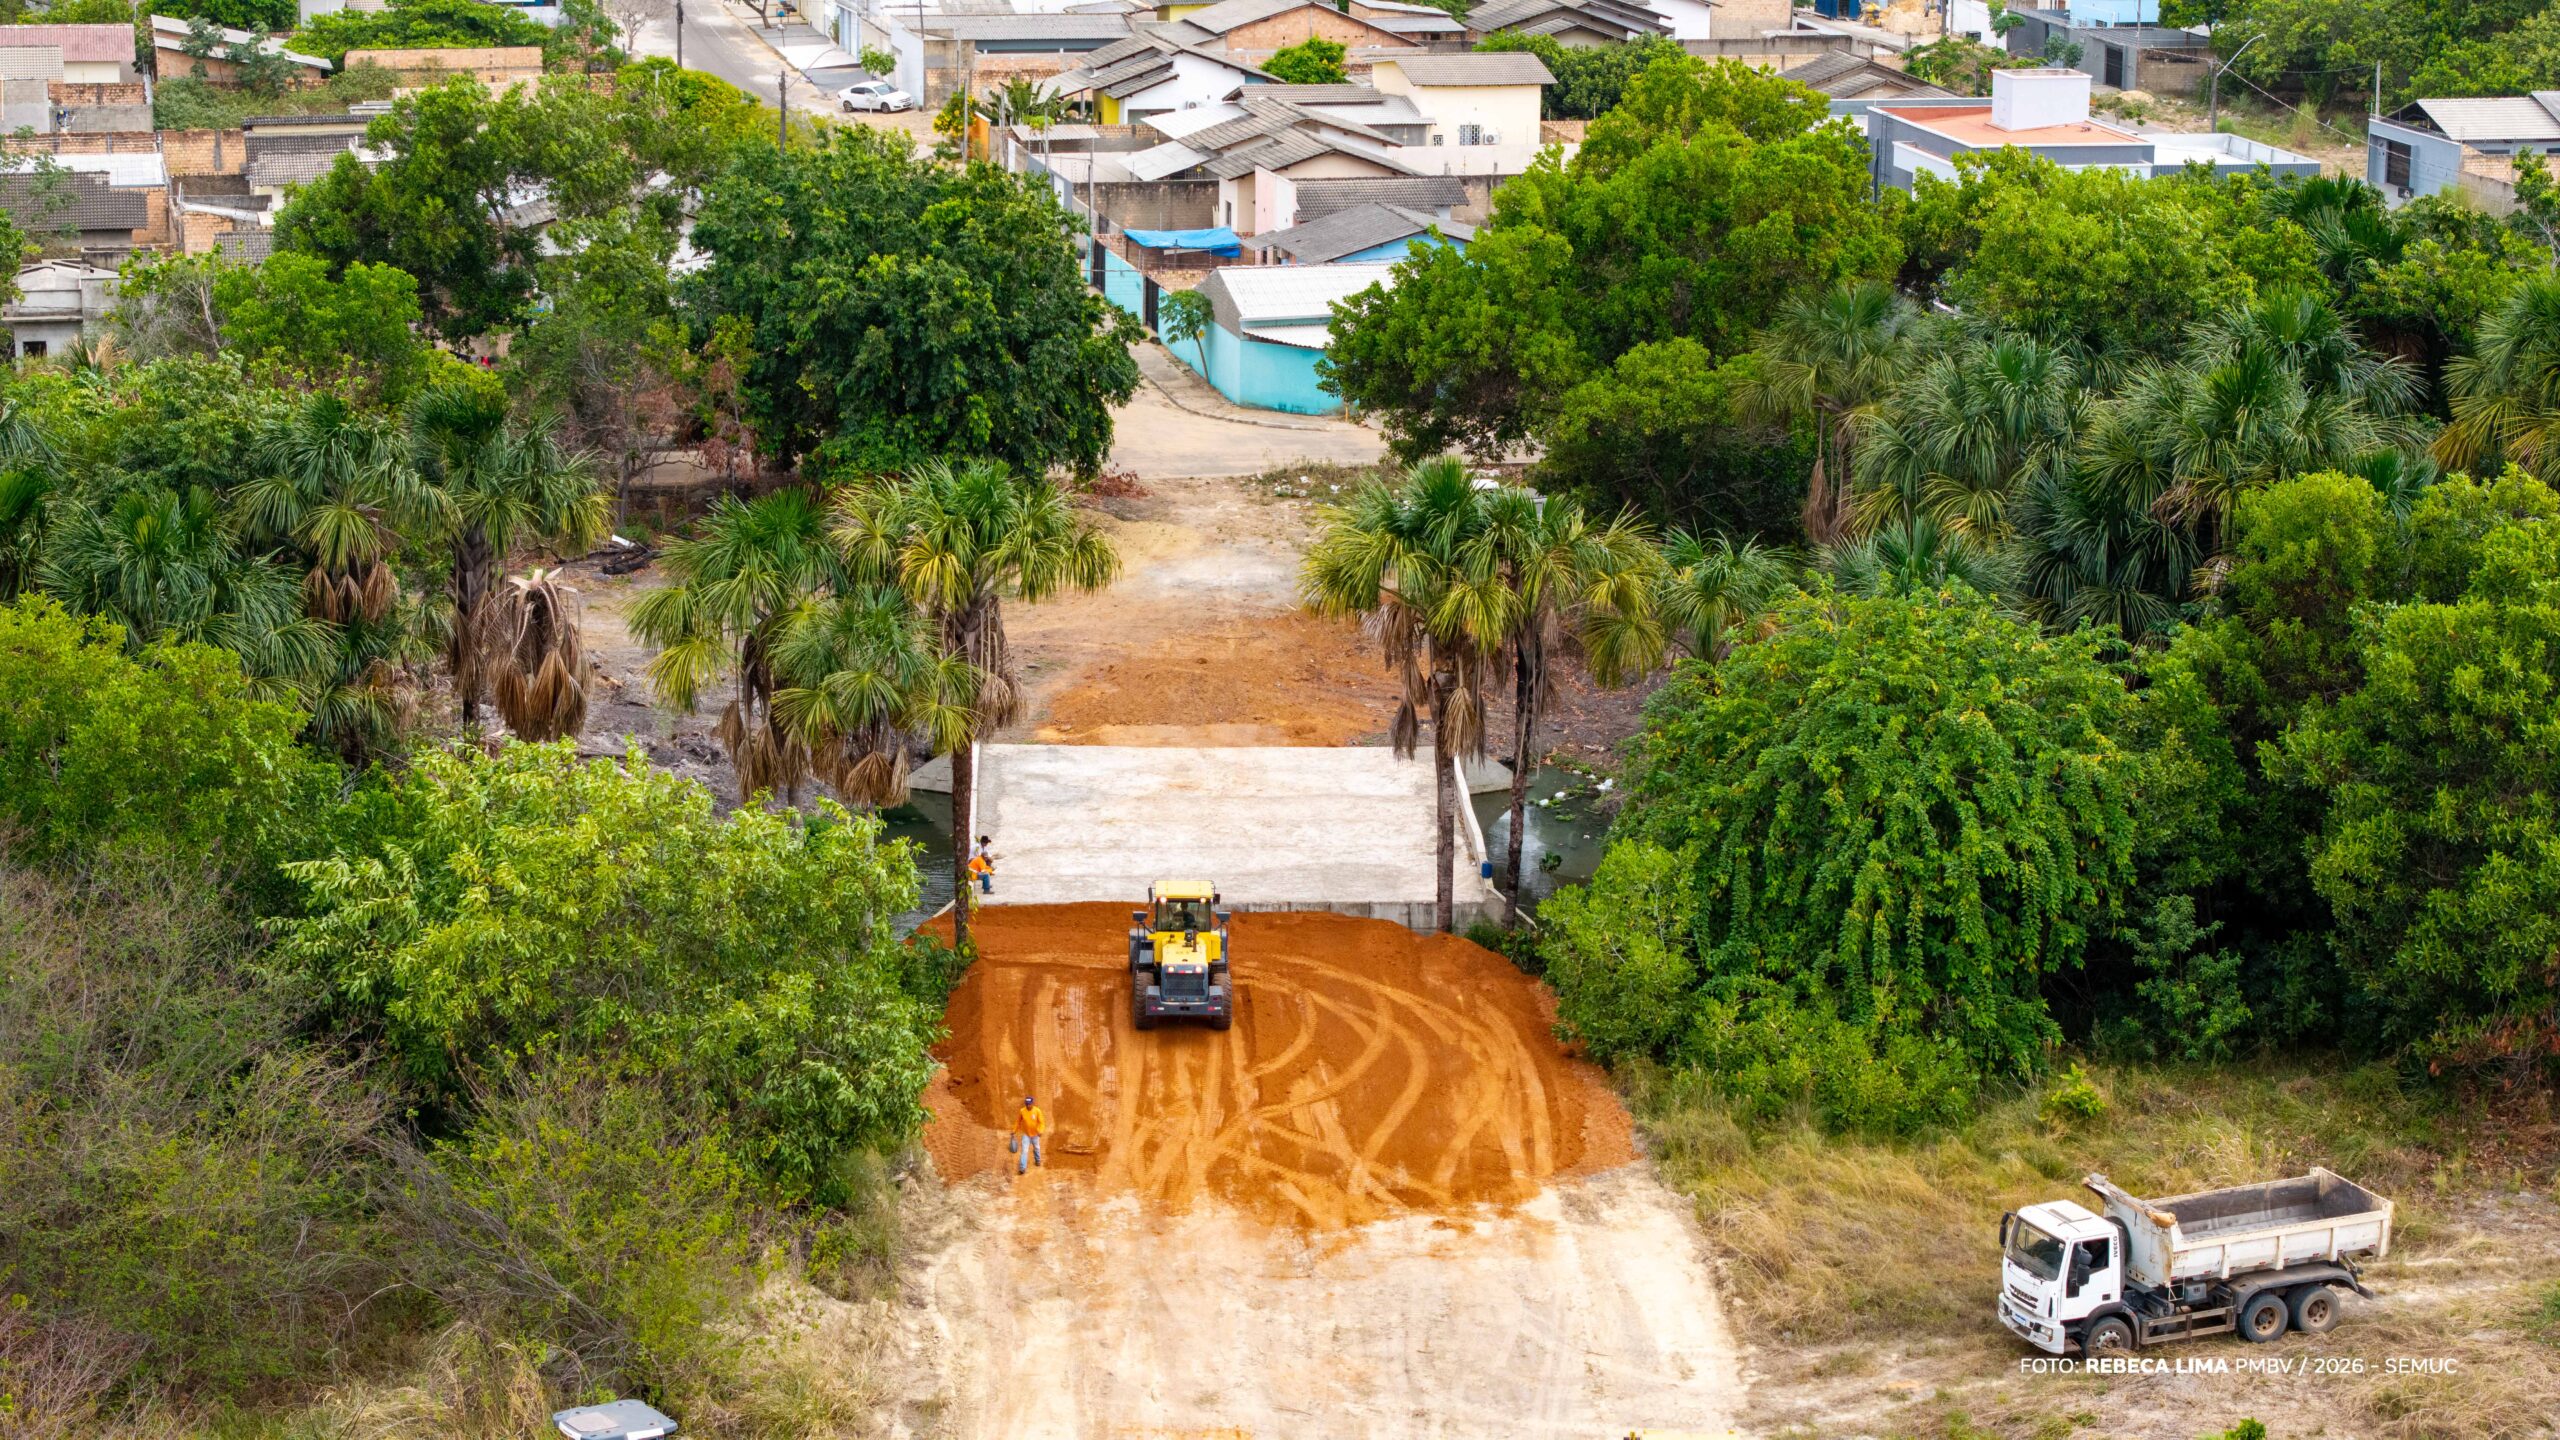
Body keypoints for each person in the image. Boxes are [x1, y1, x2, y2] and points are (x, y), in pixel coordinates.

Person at [1011, 1094, 1046, 1176]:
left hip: (1035, 1135)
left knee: (1037, 1148)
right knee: (1024, 1151)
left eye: (1029, 1104)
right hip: (1026, 1134)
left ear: (1033, 1103)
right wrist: (1014, 1130)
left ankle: (1037, 1160)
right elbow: (1018, 1122)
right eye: (1026, 1104)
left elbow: (1042, 1123)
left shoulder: (1037, 1111)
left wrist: (1040, 1131)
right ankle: (1022, 1168)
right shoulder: (1022, 1111)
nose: (1028, 1106)